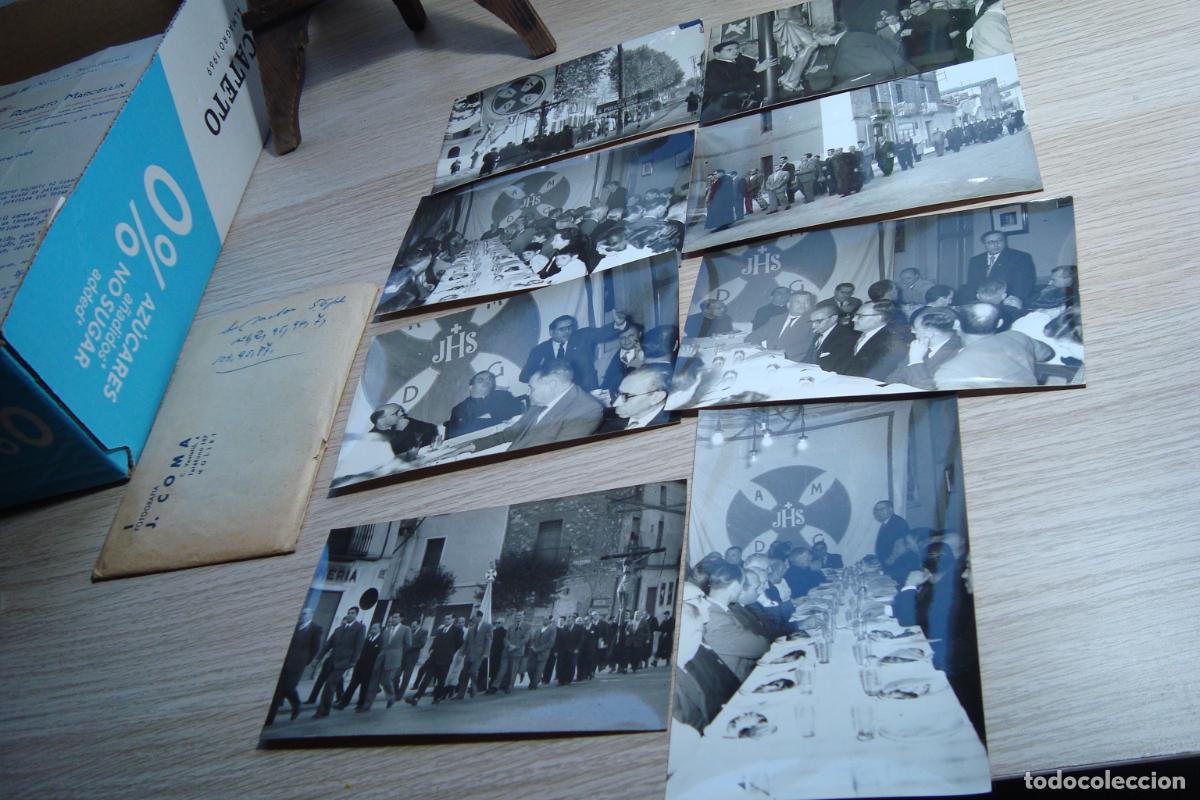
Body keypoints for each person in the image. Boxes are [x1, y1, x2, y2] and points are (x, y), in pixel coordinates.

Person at [892, 541, 985, 742]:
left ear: (925, 568)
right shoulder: (942, 584)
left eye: (969, 568)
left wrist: (909, 584)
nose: (963, 575)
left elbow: (907, 620)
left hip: (958, 682)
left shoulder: (947, 592)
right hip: (948, 660)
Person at [933, 302, 1053, 389]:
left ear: (956, 324)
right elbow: (1047, 353)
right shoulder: (1017, 337)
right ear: (999, 323)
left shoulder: (950, 371)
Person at [519, 312, 629, 391]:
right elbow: (524, 376)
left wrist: (618, 324)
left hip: (587, 392)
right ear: (551, 332)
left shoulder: (582, 336)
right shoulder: (539, 350)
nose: (568, 331)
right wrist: (544, 374)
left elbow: (602, 333)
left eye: (570, 327)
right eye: (562, 329)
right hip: (556, 397)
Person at [703, 563, 770, 680]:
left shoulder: (716, 610)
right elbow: (760, 646)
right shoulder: (715, 618)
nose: (741, 590)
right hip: (738, 683)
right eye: (742, 585)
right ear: (735, 586)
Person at [810, 21, 912, 91]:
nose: (816, 42)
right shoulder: (851, 37)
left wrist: (843, 87)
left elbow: (883, 68)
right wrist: (826, 67)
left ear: (826, 36)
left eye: (816, 39)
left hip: (901, 76)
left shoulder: (848, 46)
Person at [265, 609, 323, 725]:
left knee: (288, 687)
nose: (302, 615)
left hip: (298, 664)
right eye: (302, 613)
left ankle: (296, 705)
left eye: (305, 614)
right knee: (278, 691)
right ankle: (269, 719)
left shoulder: (315, 629)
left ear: (311, 615)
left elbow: (315, 648)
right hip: (285, 662)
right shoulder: (296, 626)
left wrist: (305, 661)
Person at [888, 306, 964, 389]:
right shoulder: (921, 346)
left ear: (930, 332)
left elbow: (929, 392)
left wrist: (916, 361)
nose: (912, 331)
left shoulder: (958, 355)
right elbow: (892, 378)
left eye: (915, 328)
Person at [701, 40, 777, 122]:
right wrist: (756, 72)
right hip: (722, 106)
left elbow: (758, 67)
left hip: (744, 101)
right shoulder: (712, 67)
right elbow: (725, 87)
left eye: (737, 48)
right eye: (729, 50)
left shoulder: (740, 60)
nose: (735, 51)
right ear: (717, 54)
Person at [312, 608, 365, 718]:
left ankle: (322, 710)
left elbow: (358, 646)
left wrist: (353, 662)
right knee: (329, 685)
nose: (350, 615)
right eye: (348, 613)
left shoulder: (359, 628)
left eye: (352, 613)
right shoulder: (338, 629)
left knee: (329, 684)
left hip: (344, 662)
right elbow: (328, 645)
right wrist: (318, 658)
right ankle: (325, 710)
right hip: (332, 661)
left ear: (356, 615)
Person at [840, 300, 910, 381]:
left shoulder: (890, 343)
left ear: (879, 318)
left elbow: (874, 376)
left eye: (860, 316)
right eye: (855, 315)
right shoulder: (858, 335)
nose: (853, 319)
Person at [963, 230, 1036, 306]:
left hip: (1007, 302)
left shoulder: (1020, 257)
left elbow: (1024, 284)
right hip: (980, 302)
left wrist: (1013, 302)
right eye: (991, 242)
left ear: (1005, 241)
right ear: (984, 244)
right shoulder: (975, 260)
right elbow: (972, 283)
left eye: (999, 240)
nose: (996, 244)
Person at [445, 371, 525, 439]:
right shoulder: (459, 408)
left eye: (489, 379)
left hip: (510, 436)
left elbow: (519, 413)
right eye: (480, 380)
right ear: (471, 387)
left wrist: (489, 416)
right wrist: (498, 417)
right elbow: (458, 434)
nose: (486, 382)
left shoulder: (504, 395)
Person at [406, 615, 464, 705]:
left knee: (441, 680)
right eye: (445, 619)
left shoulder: (457, 630)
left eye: (448, 619)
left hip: (445, 659)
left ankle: (437, 697)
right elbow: (435, 641)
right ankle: (416, 698)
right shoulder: (440, 630)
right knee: (426, 678)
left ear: (453, 619)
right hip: (434, 658)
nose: (446, 620)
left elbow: (459, 643)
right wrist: (431, 649)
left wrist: (450, 651)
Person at [598, 366, 672, 432]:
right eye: (618, 393)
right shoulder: (607, 417)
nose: (615, 404)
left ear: (656, 398)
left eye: (626, 396)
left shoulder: (669, 429)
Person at [745, 290, 816, 356]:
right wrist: (758, 347)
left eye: (806, 302)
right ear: (788, 305)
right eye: (798, 302)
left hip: (793, 361)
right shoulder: (776, 319)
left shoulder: (813, 321)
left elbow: (809, 344)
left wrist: (782, 352)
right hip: (769, 356)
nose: (803, 305)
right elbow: (754, 335)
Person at [362, 613, 410, 710]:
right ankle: (367, 705)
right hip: (381, 658)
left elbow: (408, 645)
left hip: (394, 659)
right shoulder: (386, 631)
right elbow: (381, 644)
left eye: (396, 617)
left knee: (386, 680)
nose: (393, 619)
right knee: (373, 681)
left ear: (401, 619)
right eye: (392, 617)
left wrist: (398, 654)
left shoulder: (405, 629)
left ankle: (391, 697)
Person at [901, 0, 964, 70]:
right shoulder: (908, 23)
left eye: (916, 6)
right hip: (924, 62)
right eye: (911, 8)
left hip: (944, 57)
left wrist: (913, 32)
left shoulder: (939, 13)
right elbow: (905, 40)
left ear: (927, 4)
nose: (913, 9)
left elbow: (935, 29)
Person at [799, 301, 856, 372]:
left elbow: (832, 367)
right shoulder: (819, 333)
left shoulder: (846, 337)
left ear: (833, 319)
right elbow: (808, 358)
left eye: (818, 321)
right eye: (812, 322)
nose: (813, 326)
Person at [369, 403, 438, 460]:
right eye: (396, 413)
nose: (402, 413)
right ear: (381, 421)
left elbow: (430, 427)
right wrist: (399, 431)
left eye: (401, 410)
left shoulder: (403, 421)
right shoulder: (371, 438)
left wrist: (424, 446)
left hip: (422, 458)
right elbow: (387, 456)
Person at [339, 623, 383, 711]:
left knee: (364, 687)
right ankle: (343, 703)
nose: (372, 630)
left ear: (379, 630)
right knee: (352, 685)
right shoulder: (367, 639)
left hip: (370, 668)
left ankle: (361, 704)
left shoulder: (381, 641)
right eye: (372, 628)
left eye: (374, 628)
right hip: (359, 667)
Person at [600, 322, 645, 401]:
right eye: (622, 337)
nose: (626, 340)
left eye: (631, 336)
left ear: (640, 334)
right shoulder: (607, 357)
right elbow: (604, 385)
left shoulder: (647, 354)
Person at [489, 611, 531, 693]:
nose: (518, 617)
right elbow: (505, 638)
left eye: (520, 615)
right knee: (502, 670)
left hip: (517, 652)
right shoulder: (511, 626)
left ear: (523, 617)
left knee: (513, 671)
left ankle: (509, 686)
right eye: (517, 615)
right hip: (507, 651)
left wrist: (515, 646)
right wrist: (509, 645)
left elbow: (525, 639)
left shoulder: (527, 627)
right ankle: (495, 686)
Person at [455, 611, 493, 699]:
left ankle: (474, 687)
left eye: (474, 617)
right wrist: (461, 653)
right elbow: (466, 642)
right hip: (469, 654)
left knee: (473, 671)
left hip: (479, 654)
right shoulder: (471, 629)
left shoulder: (487, 626)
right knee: (464, 674)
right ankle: (460, 694)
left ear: (480, 617)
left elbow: (489, 640)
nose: (472, 619)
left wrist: (486, 652)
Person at [527, 615, 558, 689]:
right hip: (533, 652)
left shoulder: (552, 630)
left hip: (543, 653)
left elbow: (550, 643)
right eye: (544, 619)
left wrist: (539, 649)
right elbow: (533, 639)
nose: (545, 621)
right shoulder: (538, 629)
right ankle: (534, 680)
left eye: (546, 619)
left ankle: (534, 684)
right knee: (530, 668)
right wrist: (533, 646)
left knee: (539, 670)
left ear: (549, 621)